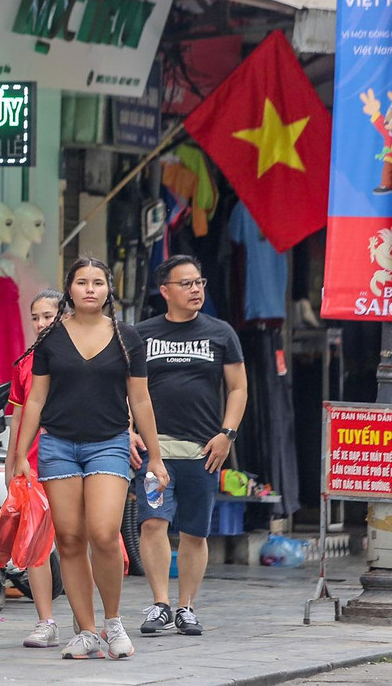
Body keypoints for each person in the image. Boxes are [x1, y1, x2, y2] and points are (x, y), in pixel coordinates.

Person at [14, 258, 168, 661]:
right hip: (57, 446)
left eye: (97, 282)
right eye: (81, 282)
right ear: (70, 288)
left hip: (109, 443)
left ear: (108, 290)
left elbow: (141, 399)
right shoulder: (50, 338)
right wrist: (19, 455)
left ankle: (112, 621)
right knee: (68, 538)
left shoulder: (127, 337)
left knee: (103, 533)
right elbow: (35, 399)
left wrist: (156, 457)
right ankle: (85, 631)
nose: (89, 289)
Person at [133, 255, 247, 638]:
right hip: (155, 451)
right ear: (165, 291)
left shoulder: (221, 333)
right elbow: (126, 390)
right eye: (186, 283)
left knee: (195, 533)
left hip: (204, 451)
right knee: (153, 523)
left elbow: (238, 388)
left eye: (199, 282)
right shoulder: (141, 334)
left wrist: (227, 434)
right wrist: (130, 430)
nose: (196, 289)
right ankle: (161, 603)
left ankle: (187, 607)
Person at [4, 288, 63, 648]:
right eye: (36, 318)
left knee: (80, 541)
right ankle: (46, 622)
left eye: (48, 316)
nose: (41, 324)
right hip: (33, 465)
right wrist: (12, 462)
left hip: (75, 460)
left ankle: (103, 620)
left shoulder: (82, 356)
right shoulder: (24, 363)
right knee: (36, 544)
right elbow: (17, 417)